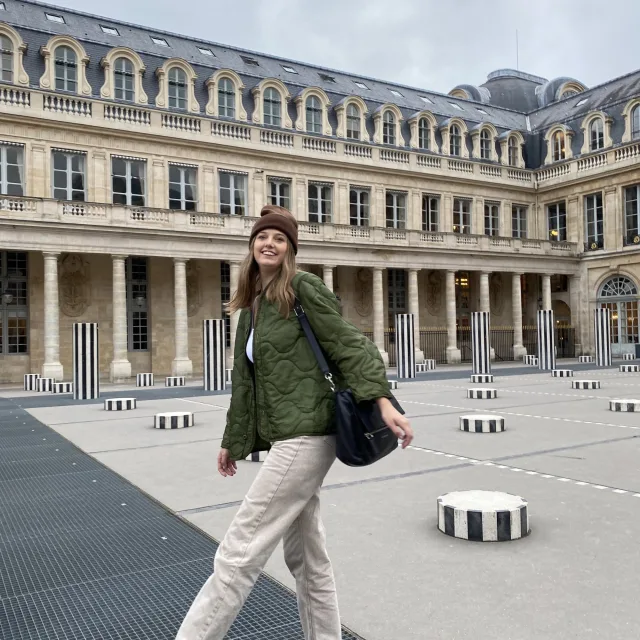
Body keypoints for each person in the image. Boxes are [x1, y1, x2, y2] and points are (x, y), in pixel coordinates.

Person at [175, 205, 413, 640]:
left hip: (308, 436)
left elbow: (349, 344)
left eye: (280, 238)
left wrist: (383, 401)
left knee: (239, 551)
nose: (270, 243)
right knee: (308, 558)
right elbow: (245, 384)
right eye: (263, 236)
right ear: (251, 246)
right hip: (290, 437)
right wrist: (234, 440)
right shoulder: (251, 310)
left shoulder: (302, 287)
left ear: (290, 250)